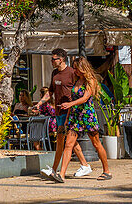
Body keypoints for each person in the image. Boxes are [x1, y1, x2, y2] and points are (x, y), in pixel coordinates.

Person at [54, 56, 111, 183]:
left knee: (96, 143)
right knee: (68, 144)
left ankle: (106, 171)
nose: (75, 71)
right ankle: (61, 174)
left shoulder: (90, 81)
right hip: (75, 116)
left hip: (87, 116)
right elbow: (71, 99)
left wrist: (70, 104)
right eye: (74, 68)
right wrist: (68, 116)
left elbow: (85, 98)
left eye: (77, 68)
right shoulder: (76, 80)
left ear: (83, 68)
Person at [33, 48, 88, 180]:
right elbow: (49, 92)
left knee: (62, 141)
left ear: (61, 59)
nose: (51, 61)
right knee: (68, 142)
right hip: (58, 112)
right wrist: (39, 104)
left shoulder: (71, 73)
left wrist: (75, 105)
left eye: (53, 59)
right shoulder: (54, 73)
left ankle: (56, 171)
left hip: (69, 112)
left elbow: (79, 88)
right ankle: (84, 165)